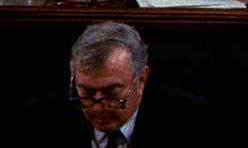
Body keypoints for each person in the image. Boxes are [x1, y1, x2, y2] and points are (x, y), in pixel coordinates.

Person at [41, 22, 211, 145]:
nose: (98, 109)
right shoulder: (44, 119)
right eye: (87, 93)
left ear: (141, 80)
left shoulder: (192, 122)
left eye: (111, 93)